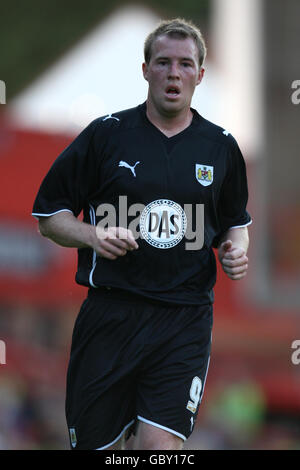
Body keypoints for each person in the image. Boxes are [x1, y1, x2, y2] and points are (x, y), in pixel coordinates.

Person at [32, 18, 251, 450]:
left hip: (183, 320)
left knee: (158, 448)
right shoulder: (105, 136)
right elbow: (48, 216)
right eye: (164, 62)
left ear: (200, 75)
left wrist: (235, 250)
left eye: (185, 65)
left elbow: (236, 222)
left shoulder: (220, 147)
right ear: (146, 69)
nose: (174, 73)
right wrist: (92, 235)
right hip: (110, 317)